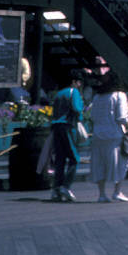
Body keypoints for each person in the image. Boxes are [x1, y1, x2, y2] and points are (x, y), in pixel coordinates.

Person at [89, 70, 128, 202]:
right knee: (120, 163)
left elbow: (92, 116)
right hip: (114, 134)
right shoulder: (120, 95)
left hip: (98, 134)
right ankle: (117, 191)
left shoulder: (97, 96)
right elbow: (122, 117)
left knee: (99, 164)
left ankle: (102, 194)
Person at [50, 69, 86, 201]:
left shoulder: (59, 94)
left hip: (56, 126)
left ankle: (56, 188)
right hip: (68, 126)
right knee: (74, 158)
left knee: (60, 159)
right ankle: (66, 186)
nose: (80, 85)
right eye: (79, 82)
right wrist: (81, 116)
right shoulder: (74, 92)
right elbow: (77, 109)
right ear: (74, 82)